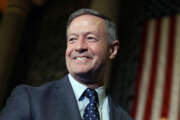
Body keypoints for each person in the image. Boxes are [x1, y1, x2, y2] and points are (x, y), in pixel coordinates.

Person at [0, 8, 132, 120]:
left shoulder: (123, 117)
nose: (79, 47)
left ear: (112, 50)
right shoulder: (29, 100)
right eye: (73, 39)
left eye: (90, 38)